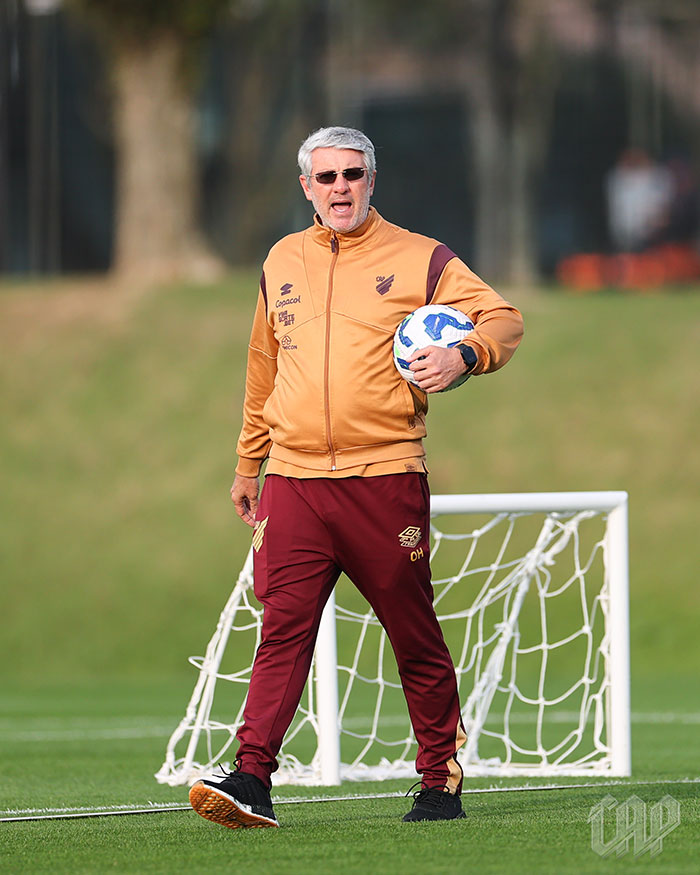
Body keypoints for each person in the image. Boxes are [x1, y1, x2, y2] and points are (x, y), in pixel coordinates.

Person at [189, 126, 523, 829]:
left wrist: (466, 353)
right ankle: (252, 777)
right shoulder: (281, 258)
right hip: (293, 482)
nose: (340, 187)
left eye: (352, 174)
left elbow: (503, 318)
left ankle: (440, 779)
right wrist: (249, 461)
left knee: (412, 631)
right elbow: (263, 365)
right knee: (281, 630)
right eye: (326, 176)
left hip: (384, 478)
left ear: (371, 180)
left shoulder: (422, 257)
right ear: (306, 187)